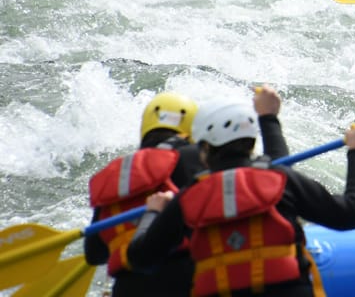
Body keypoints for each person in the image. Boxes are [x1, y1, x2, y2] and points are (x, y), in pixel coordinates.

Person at [126, 99, 355, 297]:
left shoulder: (188, 198)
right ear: (250, 142)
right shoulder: (281, 180)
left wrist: (154, 212)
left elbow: (140, 259)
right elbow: (352, 213)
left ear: (206, 148)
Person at [84, 86, 290, 296]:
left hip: (127, 288)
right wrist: (269, 118)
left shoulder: (113, 176)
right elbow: (273, 179)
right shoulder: (191, 157)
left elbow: (94, 254)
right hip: (186, 281)